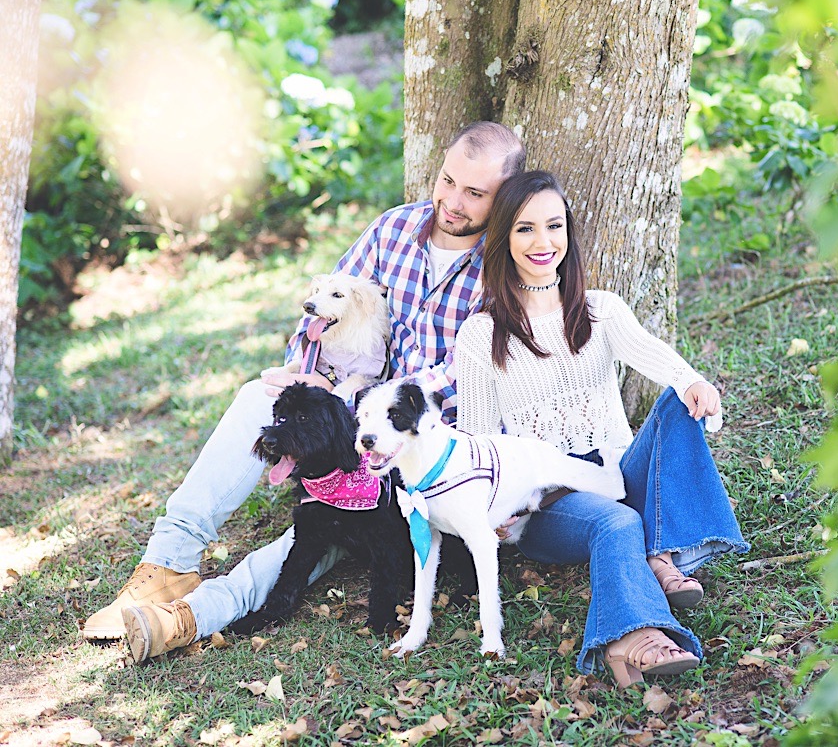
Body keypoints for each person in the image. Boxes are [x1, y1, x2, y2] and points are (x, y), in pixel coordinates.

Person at [83, 122, 526, 659]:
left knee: (314, 532)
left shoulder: (504, 267)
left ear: (502, 200)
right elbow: (323, 308)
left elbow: (465, 370)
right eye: (448, 181)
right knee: (259, 398)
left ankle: (193, 616)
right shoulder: (394, 229)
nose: (451, 202)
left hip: (413, 449)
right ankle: (168, 562)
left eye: (474, 194)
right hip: (350, 407)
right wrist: (309, 369)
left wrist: (375, 410)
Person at [453, 170, 748, 688]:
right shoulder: (482, 335)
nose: (544, 243)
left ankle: (659, 553)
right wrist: (492, 506)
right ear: (504, 239)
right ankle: (629, 638)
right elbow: (477, 440)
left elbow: (654, 357)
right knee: (615, 523)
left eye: (554, 226)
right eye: (525, 229)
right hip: (550, 501)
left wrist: (694, 381)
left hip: (613, 471)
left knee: (676, 405)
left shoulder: (599, 310)